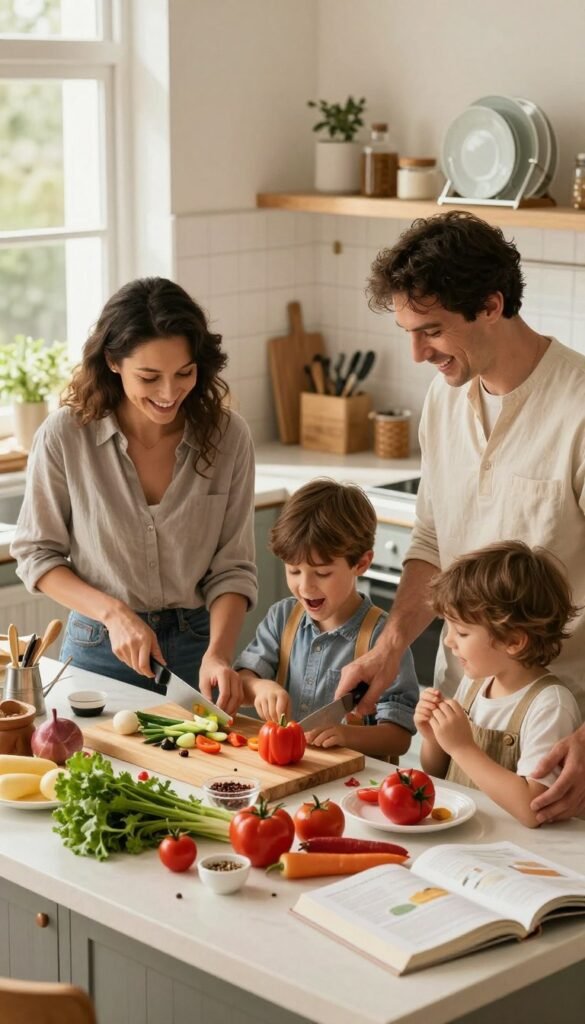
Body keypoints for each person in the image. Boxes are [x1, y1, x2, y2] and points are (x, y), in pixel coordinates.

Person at [336, 210, 585, 822]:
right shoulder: (443, 401)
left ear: (492, 304)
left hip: (558, 737)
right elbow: (430, 538)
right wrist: (391, 646)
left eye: (432, 331)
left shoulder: (578, 409)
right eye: (408, 331)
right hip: (462, 708)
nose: (418, 352)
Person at [11, 277, 257, 715]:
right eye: (149, 377)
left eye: (184, 373)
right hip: (98, 648)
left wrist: (219, 653)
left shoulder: (228, 437)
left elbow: (233, 568)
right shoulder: (66, 436)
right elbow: (37, 554)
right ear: (113, 362)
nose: (168, 393)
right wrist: (113, 613)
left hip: (197, 652)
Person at [234, 479, 419, 759]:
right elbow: (244, 681)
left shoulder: (385, 641)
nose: (306, 587)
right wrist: (260, 687)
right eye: (294, 571)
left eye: (322, 573)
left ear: (362, 563)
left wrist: (347, 736)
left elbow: (398, 738)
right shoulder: (282, 618)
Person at [414, 542, 581, 827]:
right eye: (449, 627)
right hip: (471, 836)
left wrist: (462, 748)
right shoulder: (474, 682)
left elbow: (534, 809)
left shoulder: (550, 705)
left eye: (463, 632)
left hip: (519, 854)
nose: (448, 640)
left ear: (513, 641)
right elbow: (437, 770)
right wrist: (433, 738)